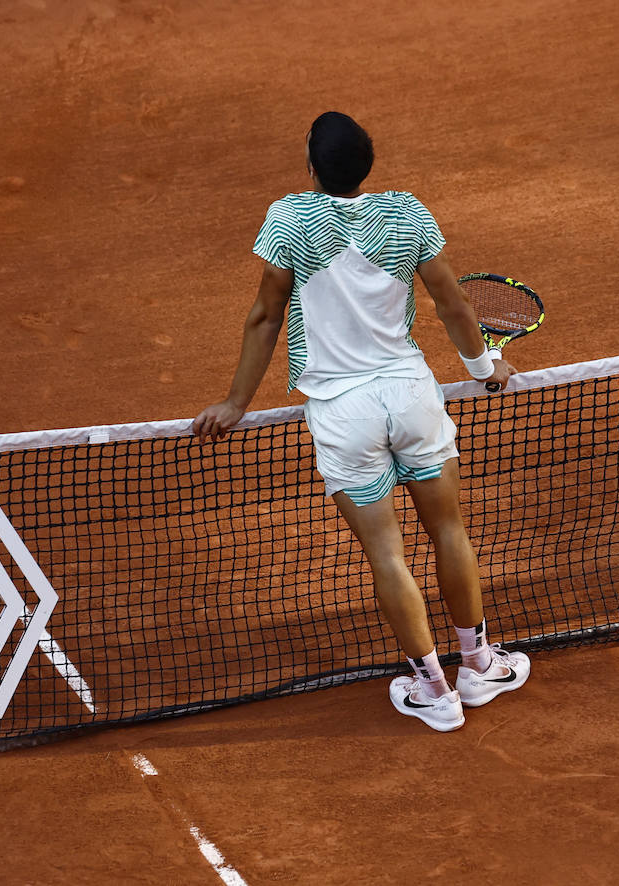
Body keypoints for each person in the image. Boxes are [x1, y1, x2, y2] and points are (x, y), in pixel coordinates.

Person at [191, 111, 530, 732]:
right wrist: (485, 365)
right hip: (410, 395)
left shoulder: (288, 220)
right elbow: (451, 304)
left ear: (312, 167)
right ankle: (478, 665)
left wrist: (236, 403)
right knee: (449, 532)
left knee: (386, 553)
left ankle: (434, 689)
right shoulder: (407, 214)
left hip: (342, 412)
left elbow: (265, 318)